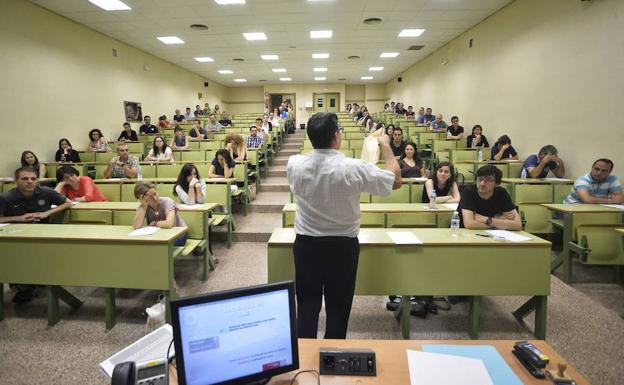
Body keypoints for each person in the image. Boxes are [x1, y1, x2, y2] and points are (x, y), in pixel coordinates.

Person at [287, 112, 401, 339]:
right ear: (337, 137)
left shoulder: (294, 163)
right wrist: (386, 146)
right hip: (343, 248)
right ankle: (332, 358)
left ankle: (305, 360)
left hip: (306, 245)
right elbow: (395, 180)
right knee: (338, 306)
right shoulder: (354, 167)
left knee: (307, 304)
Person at [0, 166, 72, 303]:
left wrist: (47, 213)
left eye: (33, 179)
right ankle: (22, 287)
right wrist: (19, 218)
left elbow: (67, 203)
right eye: (25, 179)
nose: (30, 182)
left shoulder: (46, 192)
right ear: (16, 181)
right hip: (17, 238)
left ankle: (35, 281)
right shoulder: (6, 197)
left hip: (43, 235)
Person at [458, 164, 521, 230]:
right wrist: (499, 222)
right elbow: (469, 224)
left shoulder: (501, 192)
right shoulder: (468, 192)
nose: (482, 183)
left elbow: (518, 225)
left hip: (492, 236)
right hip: (465, 234)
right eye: (480, 179)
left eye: (488, 180)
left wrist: (487, 219)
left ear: (497, 183)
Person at [132, 182, 187, 247]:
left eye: (155, 194)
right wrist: (143, 206)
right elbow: (136, 226)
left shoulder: (168, 202)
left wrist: (155, 223)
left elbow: (169, 224)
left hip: (178, 235)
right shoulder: (143, 206)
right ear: (142, 199)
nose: (155, 198)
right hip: (159, 235)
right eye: (150, 197)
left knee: (156, 245)